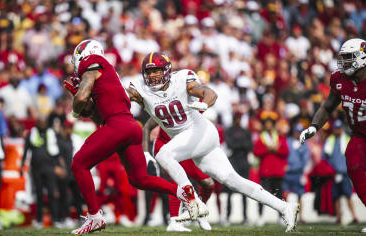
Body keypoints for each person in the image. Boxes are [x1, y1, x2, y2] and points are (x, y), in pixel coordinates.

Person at [126, 52, 299, 232]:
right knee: (232, 180)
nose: (153, 75)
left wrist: (205, 104)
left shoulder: (182, 79)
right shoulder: (140, 89)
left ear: (167, 70)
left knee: (164, 155)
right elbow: (121, 97)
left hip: (201, 131)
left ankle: (192, 201)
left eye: (157, 70)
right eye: (150, 71)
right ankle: (285, 207)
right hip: (188, 140)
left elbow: (209, 93)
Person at [63, 40, 199, 234]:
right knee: (139, 179)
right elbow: (97, 115)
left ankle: (94, 216)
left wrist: (76, 105)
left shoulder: (93, 62)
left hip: (117, 125)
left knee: (79, 164)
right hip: (131, 126)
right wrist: (84, 106)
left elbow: (83, 99)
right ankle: (184, 192)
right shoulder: (108, 75)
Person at [299, 38, 366, 233]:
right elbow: (328, 106)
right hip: (359, 135)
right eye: (342, 58)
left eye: (349, 58)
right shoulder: (339, 79)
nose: (344, 62)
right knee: (354, 167)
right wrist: (314, 127)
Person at [142, 117, 214, 232]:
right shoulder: (163, 107)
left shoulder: (188, 108)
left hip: (183, 149)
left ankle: (200, 213)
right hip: (165, 148)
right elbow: (146, 127)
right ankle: (174, 221)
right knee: (176, 182)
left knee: (208, 183)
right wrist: (146, 154)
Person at [20, 116, 60, 228]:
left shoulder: (51, 133)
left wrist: (58, 166)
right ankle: (39, 220)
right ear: (36, 123)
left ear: (47, 123)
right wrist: (22, 165)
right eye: (40, 122)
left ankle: (55, 219)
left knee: (52, 194)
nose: (42, 124)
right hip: (36, 169)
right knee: (38, 194)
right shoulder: (32, 134)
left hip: (49, 168)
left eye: (43, 122)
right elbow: (26, 149)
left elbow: (57, 151)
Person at [254, 112, 289, 226]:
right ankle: (260, 217)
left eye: (270, 123)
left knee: (279, 196)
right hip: (265, 172)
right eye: (266, 124)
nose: (268, 125)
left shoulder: (280, 138)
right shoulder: (261, 138)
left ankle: (281, 218)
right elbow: (256, 152)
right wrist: (268, 149)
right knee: (262, 197)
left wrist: (276, 150)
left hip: (277, 172)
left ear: (273, 125)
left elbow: (286, 152)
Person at [323, 120, 359, 224]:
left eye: (339, 128)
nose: (338, 130)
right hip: (334, 174)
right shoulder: (330, 141)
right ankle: (339, 217)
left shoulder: (347, 140)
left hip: (344, 174)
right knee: (336, 197)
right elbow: (324, 157)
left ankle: (354, 216)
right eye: (336, 128)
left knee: (348, 195)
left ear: (342, 129)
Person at [224, 111, 252, 225]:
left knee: (244, 192)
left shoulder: (246, 132)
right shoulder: (229, 131)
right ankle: (227, 217)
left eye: (239, 118)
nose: (238, 120)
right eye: (236, 118)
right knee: (230, 191)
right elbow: (230, 145)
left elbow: (250, 146)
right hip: (233, 163)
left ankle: (245, 217)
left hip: (243, 163)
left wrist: (238, 144)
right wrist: (242, 145)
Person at [283, 123, 310, 223]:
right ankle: (285, 216)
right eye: (296, 132)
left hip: (297, 173)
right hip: (287, 174)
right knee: (285, 194)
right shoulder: (287, 142)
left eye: (299, 132)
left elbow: (305, 161)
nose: (297, 134)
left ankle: (300, 216)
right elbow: (283, 154)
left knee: (300, 195)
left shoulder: (304, 144)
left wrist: (291, 167)